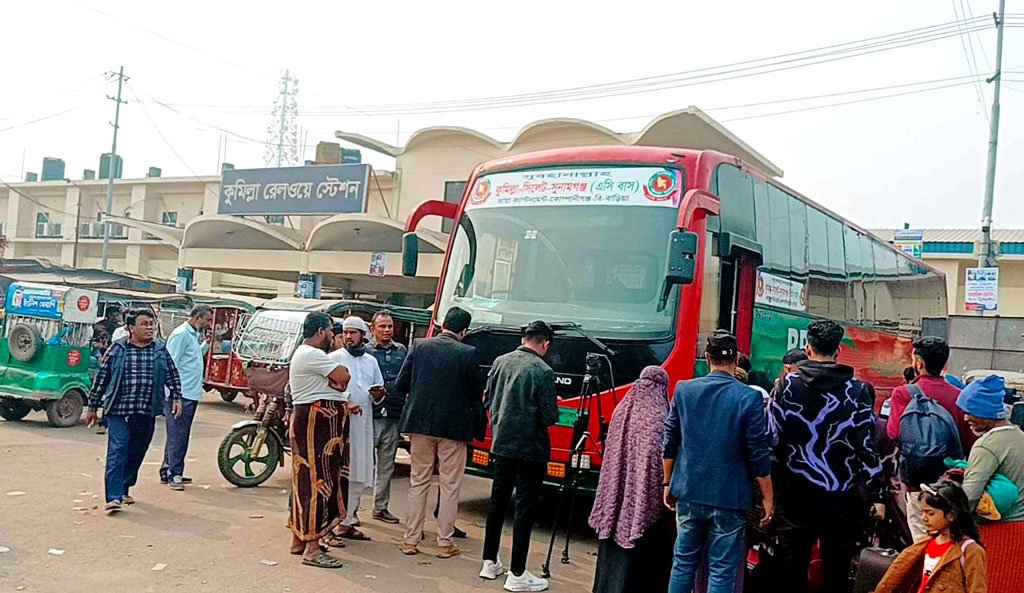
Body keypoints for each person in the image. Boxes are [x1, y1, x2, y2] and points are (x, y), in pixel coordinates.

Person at [768, 320, 886, 593]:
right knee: (837, 567)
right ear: (838, 351)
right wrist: (877, 494)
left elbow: (771, 437)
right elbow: (867, 446)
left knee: (791, 564)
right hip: (841, 495)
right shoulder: (856, 391)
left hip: (794, 493)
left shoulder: (786, 387)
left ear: (808, 350)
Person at [664, 330, 773, 593]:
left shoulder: (684, 390)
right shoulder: (749, 397)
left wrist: (667, 482)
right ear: (736, 358)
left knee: (683, 562)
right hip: (730, 497)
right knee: (722, 568)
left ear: (706, 357)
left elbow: (670, 442)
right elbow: (758, 452)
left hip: (689, 490)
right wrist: (768, 497)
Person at [395, 306, 482, 558]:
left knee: (418, 481)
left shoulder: (419, 346)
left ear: (443, 323)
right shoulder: (468, 353)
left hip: (419, 425)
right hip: (453, 429)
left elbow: (401, 384)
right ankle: (444, 542)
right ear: (463, 331)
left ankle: (411, 540)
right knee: (450, 484)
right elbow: (476, 394)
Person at [479, 321, 558, 592]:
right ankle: (518, 572)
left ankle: (489, 562)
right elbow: (550, 416)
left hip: (501, 444)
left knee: (497, 503)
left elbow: (487, 400)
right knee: (524, 509)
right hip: (530, 450)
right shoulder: (543, 370)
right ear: (545, 344)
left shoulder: (500, 362)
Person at [85, 308, 183, 514]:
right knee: (117, 451)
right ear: (130, 328)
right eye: (144, 324)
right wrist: (93, 406)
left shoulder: (159, 349)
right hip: (118, 411)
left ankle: (123, 487)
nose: (149, 328)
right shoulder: (117, 349)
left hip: (146, 411)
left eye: (151, 324)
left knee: (137, 451)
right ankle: (113, 497)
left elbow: (172, 375)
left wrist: (176, 397)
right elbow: (102, 379)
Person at [589, 365, 675, 593]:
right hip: (642, 507)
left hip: (615, 499)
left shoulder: (622, 410)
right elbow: (657, 466)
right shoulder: (659, 418)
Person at [287, 312, 356, 569]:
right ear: (320, 332)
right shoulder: (312, 354)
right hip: (316, 424)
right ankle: (313, 549)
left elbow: (339, 382)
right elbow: (344, 377)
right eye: (330, 331)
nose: (333, 336)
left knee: (307, 480)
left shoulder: (307, 355)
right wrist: (336, 376)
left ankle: (300, 539)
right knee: (318, 482)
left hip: (316, 422)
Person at [887, 336, 973, 541]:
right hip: (951, 483)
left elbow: (893, 433)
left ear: (919, 363)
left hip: (916, 482)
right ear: (945, 365)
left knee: (921, 541)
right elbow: (968, 440)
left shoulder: (903, 393)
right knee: (949, 541)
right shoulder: (960, 395)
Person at [874, 481, 987, 593]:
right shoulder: (925, 543)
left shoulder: (971, 551)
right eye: (922, 512)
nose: (924, 518)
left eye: (930, 513)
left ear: (951, 515)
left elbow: (977, 588)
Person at [328, 317, 384, 541]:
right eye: (346, 332)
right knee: (339, 474)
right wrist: (345, 402)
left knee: (359, 473)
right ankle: (333, 522)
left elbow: (378, 390)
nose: (349, 336)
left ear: (363, 335)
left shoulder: (371, 361)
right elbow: (328, 391)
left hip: (364, 425)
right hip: (341, 427)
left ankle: (347, 521)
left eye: (354, 332)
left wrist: (379, 395)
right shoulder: (333, 359)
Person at [159, 304, 214, 491]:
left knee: (177, 434)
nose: (208, 324)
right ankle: (175, 474)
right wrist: (175, 396)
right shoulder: (181, 334)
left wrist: (206, 344)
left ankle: (168, 470)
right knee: (178, 435)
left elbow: (194, 356)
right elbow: (171, 364)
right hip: (181, 394)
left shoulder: (191, 335)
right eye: (207, 320)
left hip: (190, 391)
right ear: (197, 317)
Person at [957, 375, 1024, 522]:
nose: (966, 418)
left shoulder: (986, 446)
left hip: (998, 527)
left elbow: (969, 496)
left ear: (986, 412)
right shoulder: (1019, 436)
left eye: (970, 412)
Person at [368, 311, 407, 525]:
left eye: (390, 326)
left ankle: (380, 507)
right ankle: (350, 512)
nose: (386, 330)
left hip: (393, 416)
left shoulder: (402, 351)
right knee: (362, 465)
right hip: (369, 416)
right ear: (373, 329)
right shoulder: (364, 353)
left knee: (386, 466)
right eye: (382, 326)